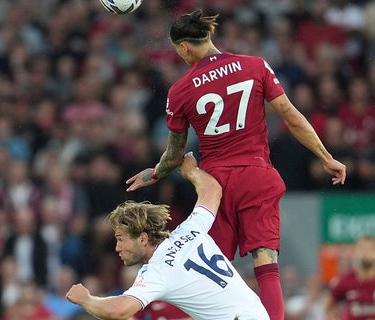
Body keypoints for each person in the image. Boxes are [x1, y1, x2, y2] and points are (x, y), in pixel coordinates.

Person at [125, 9, 347, 320]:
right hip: (257, 175)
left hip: (215, 188)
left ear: (183, 48)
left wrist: (155, 173)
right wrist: (326, 157)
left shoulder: (181, 91)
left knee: (211, 270)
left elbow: (175, 154)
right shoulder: (255, 66)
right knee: (266, 262)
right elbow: (290, 116)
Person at [66, 152, 270, 320]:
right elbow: (212, 190)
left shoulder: (158, 270)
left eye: (120, 239)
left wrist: (86, 299)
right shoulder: (190, 230)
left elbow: (119, 310)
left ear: (143, 238)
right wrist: (192, 172)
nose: (117, 247)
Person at [325, 235, 375, 320]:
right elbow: (328, 307)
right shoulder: (344, 280)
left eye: (371, 249)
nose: (366, 253)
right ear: (355, 252)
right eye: (362, 249)